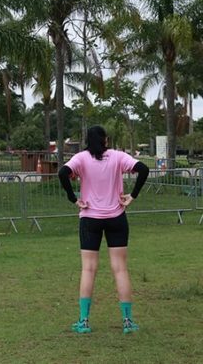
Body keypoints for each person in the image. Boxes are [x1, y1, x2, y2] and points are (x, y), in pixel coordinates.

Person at [58, 125, 149, 334]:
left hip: (90, 218)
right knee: (120, 269)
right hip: (117, 218)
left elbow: (63, 173)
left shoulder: (81, 158)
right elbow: (143, 169)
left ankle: (84, 321)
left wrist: (73, 199)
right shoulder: (117, 156)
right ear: (105, 140)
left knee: (88, 269)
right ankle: (127, 322)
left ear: (87, 141)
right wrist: (132, 196)